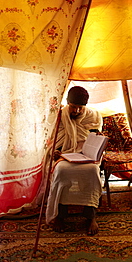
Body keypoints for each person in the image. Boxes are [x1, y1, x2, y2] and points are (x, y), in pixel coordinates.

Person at [45, 86, 103, 235]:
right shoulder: (58, 116)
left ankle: (91, 216)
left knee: (93, 171)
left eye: (80, 108)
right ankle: (60, 215)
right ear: (67, 103)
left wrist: (98, 140)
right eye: (73, 107)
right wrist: (55, 151)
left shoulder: (94, 117)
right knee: (62, 170)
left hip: (86, 157)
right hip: (64, 156)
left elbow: (96, 139)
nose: (76, 111)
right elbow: (51, 139)